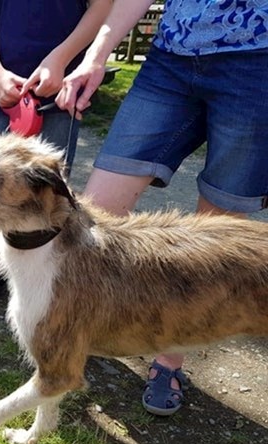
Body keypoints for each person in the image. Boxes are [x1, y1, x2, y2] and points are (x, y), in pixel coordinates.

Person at [56, 0, 268, 416]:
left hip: (256, 64)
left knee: (215, 239)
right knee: (95, 213)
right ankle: (86, 327)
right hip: (170, 58)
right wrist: (95, 58)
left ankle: (169, 361)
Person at [0, 0, 111, 314]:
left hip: (60, 91)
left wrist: (61, 58)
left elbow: (103, 6)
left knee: (49, 198)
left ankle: (53, 278)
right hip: (4, 91)